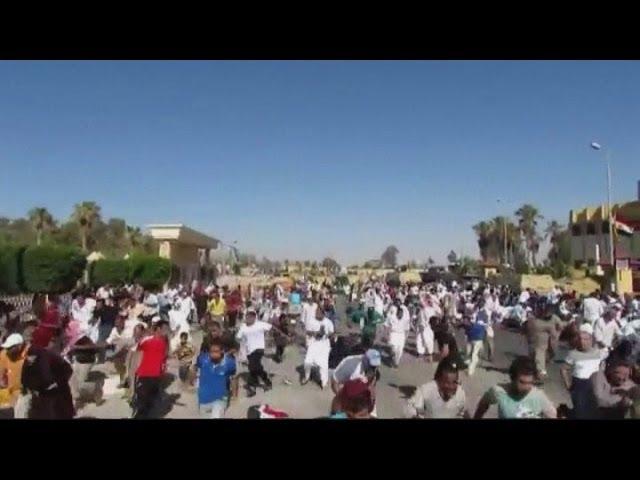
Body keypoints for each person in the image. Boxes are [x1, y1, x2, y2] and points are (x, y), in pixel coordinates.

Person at [474, 356, 557, 419]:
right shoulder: (499, 392)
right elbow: (483, 404)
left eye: (530, 383)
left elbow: (553, 415)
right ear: (513, 378)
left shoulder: (539, 397)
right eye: (522, 382)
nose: (526, 387)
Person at [20, 342, 75, 419]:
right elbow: (25, 378)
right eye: (29, 357)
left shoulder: (51, 358)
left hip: (58, 393)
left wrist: (57, 383)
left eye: (32, 357)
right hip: (41, 395)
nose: (30, 359)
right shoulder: (29, 362)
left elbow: (68, 370)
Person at [560, 323, 603, 419]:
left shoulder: (597, 353)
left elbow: (600, 367)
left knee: (592, 411)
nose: (582, 342)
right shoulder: (573, 354)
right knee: (579, 411)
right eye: (580, 339)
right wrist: (568, 385)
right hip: (579, 385)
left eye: (585, 339)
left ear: (591, 340)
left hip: (594, 385)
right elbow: (563, 369)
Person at [132, 321, 168, 418]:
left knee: (150, 404)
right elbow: (136, 354)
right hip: (144, 375)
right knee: (141, 404)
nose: (166, 331)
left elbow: (163, 359)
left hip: (156, 376)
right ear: (158, 329)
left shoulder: (164, 342)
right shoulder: (146, 340)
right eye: (165, 329)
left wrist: (162, 373)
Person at [195, 337, 237, 418]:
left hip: (220, 398)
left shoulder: (229, 363)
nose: (213, 354)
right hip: (204, 398)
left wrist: (234, 395)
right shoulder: (202, 359)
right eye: (211, 352)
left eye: (216, 351)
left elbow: (233, 378)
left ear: (222, 351)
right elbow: (195, 370)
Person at [331, 349, 381, 416]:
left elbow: (371, 389)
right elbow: (334, 381)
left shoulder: (373, 371)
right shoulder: (350, 363)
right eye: (372, 365)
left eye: (375, 366)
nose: (374, 368)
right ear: (365, 359)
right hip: (346, 397)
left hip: (362, 401)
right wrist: (343, 398)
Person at [235, 308, 272, 397]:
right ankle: (266, 381)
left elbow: (272, 328)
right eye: (248, 315)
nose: (250, 317)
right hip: (249, 350)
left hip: (259, 348)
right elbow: (238, 338)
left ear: (255, 316)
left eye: (252, 315)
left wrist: (270, 338)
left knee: (253, 366)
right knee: (254, 368)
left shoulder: (260, 324)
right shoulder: (243, 327)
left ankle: (251, 387)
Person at [525, 297, 563, 382]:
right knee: (537, 354)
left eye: (550, 309)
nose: (548, 311)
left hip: (549, 341)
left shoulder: (554, 318)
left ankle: (539, 371)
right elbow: (528, 328)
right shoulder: (534, 317)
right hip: (537, 341)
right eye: (546, 308)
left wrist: (556, 335)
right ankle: (539, 372)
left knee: (547, 356)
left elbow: (560, 327)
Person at [590, 355, 636, 419]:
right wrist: (620, 400)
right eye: (619, 373)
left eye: (627, 375)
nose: (624, 378)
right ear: (610, 371)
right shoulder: (598, 376)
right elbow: (598, 401)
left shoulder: (630, 384)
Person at [302, 306, 335, 388]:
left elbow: (332, 333)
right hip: (314, 343)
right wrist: (315, 333)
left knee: (323, 364)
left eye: (318, 312)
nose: (316, 314)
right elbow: (307, 331)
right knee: (307, 361)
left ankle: (324, 382)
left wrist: (327, 335)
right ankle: (306, 377)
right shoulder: (311, 321)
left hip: (324, 344)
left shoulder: (328, 322)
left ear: (323, 313)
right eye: (316, 312)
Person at [0, 334, 28, 415]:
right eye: (7, 348)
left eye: (10, 348)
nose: (7, 350)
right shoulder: (4, 354)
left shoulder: (27, 358)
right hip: (8, 390)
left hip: (22, 394)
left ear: (19, 346)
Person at [384, 303, 410, 367]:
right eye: (399, 313)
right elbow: (385, 325)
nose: (400, 315)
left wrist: (406, 337)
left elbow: (407, 329)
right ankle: (392, 358)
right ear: (397, 313)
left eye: (402, 314)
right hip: (393, 334)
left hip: (401, 335)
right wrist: (387, 334)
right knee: (394, 349)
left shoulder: (405, 319)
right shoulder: (391, 317)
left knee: (400, 351)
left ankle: (396, 363)